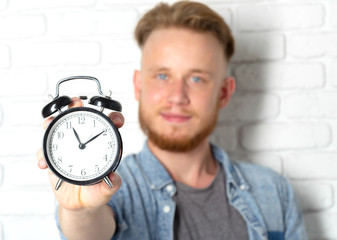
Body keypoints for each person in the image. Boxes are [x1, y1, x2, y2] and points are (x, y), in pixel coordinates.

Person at [37, 1, 308, 240]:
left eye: (197, 78)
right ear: (139, 86)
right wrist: (82, 212)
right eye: (163, 76)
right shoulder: (112, 187)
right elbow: (89, 231)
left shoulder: (274, 192)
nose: (177, 96)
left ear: (224, 93)